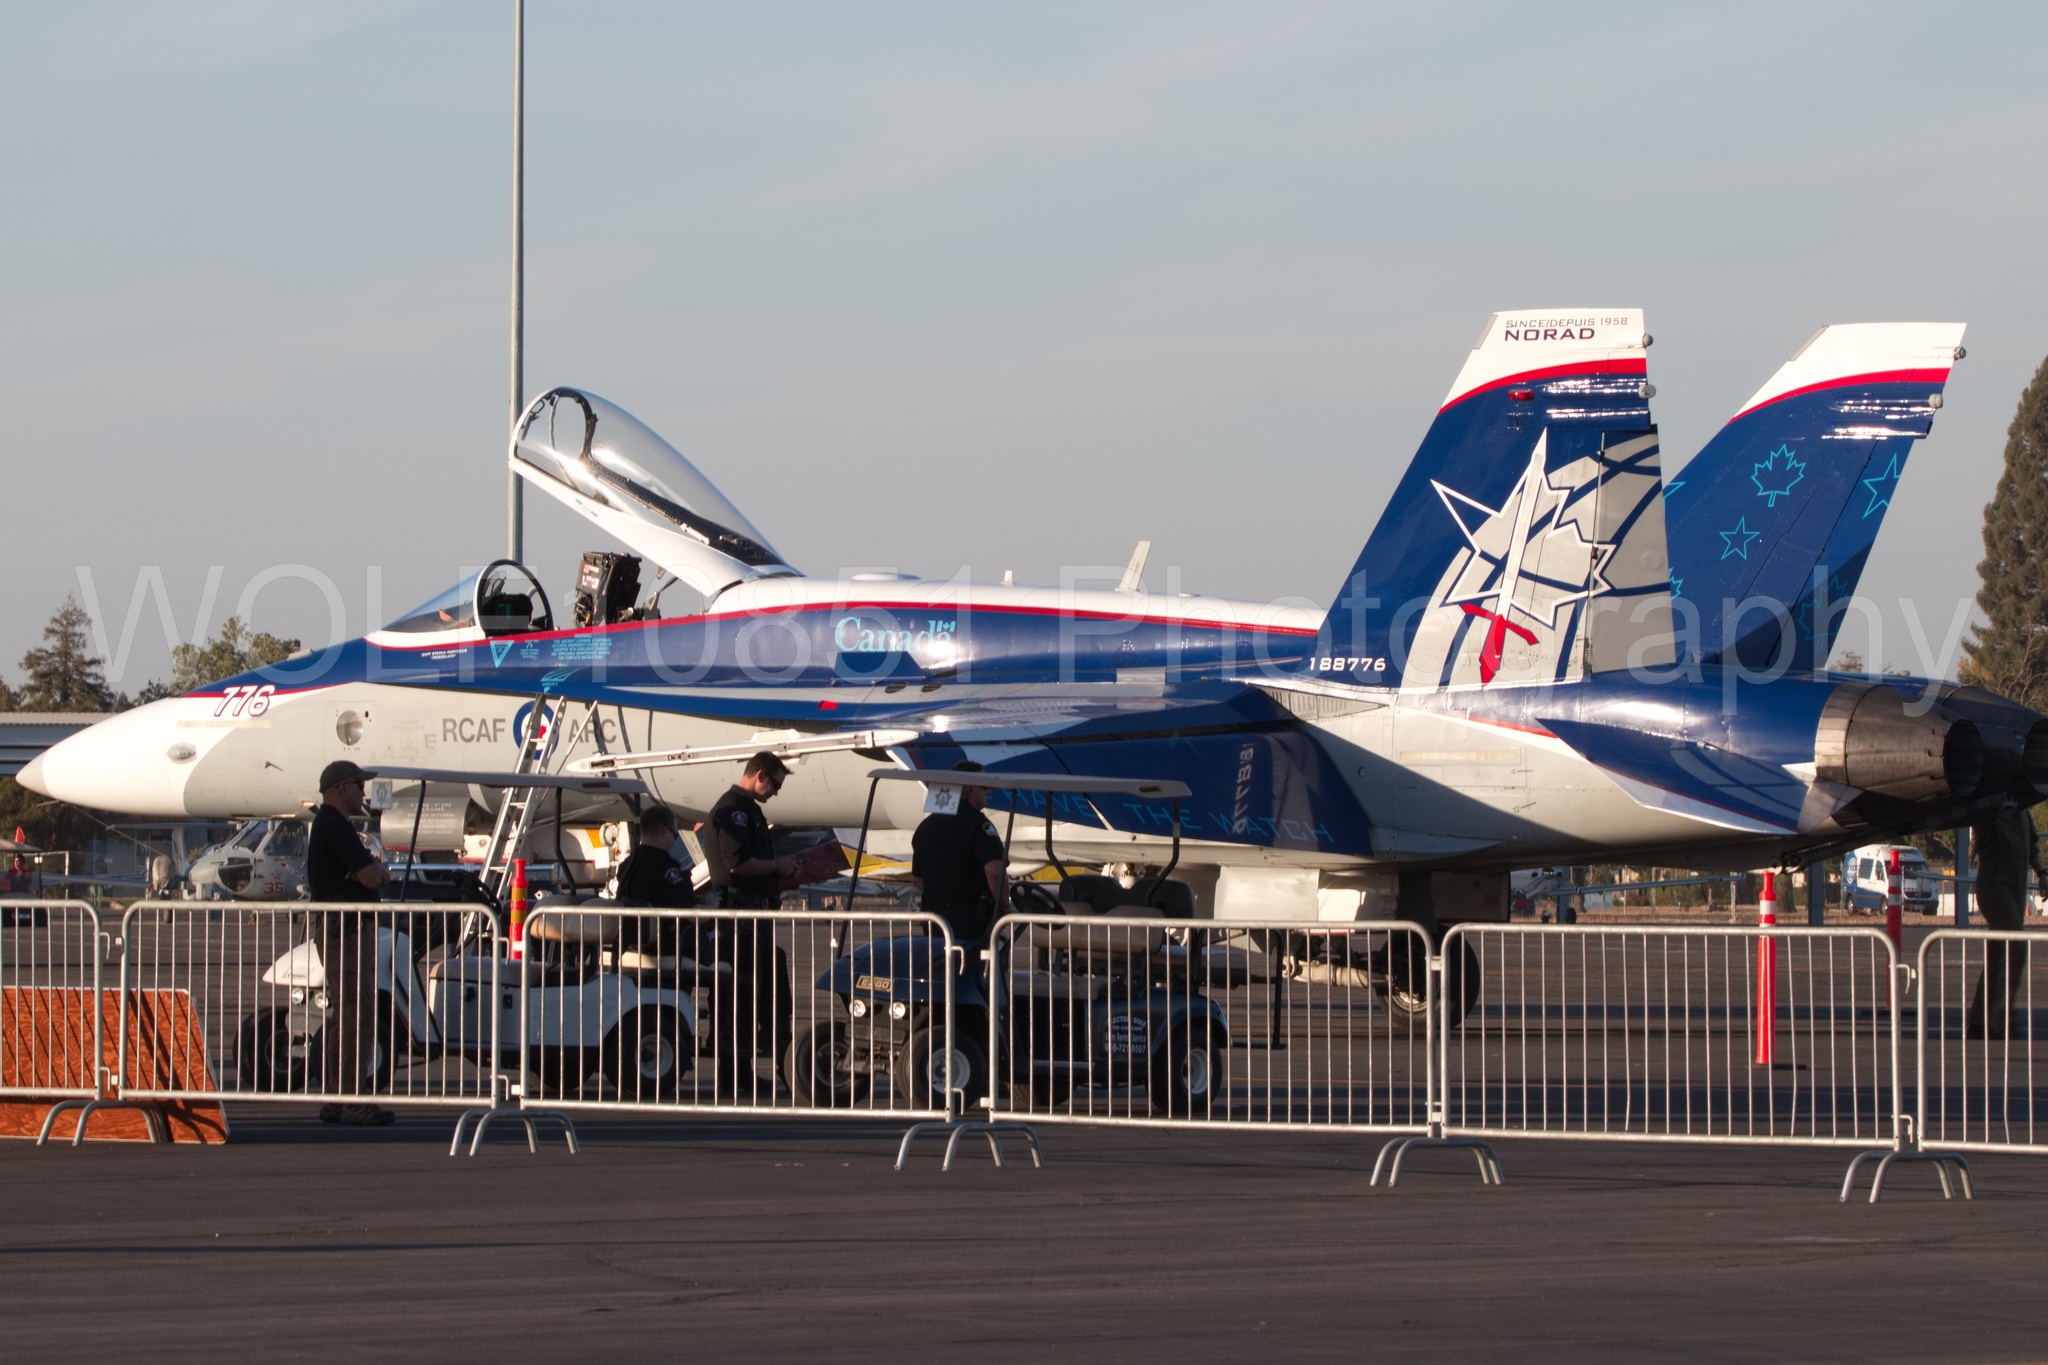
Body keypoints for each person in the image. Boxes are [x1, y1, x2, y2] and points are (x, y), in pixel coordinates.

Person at [702, 753, 797, 1093]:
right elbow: (737, 865)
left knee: (754, 988)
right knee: (739, 993)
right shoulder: (734, 812)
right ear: (760, 775)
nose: (776, 792)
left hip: (751, 915)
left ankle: (744, 1069)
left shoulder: (747, 810)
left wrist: (781, 875)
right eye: (775, 784)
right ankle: (736, 1073)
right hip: (738, 918)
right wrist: (776, 867)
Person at [307, 759, 393, 1127]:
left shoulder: (329, 825)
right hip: (347, 930)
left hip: (340, 929)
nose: (363, 793)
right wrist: (376, 873)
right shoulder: (336, 827)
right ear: (340, 788)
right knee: (356, 1012)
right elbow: (373, 877)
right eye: (358, 786)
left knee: (347, 1012)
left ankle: (337, 1097)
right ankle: (352, 1098)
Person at [1968, 800, 2044, 1039]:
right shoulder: (1989, 805)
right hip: (1995, 882)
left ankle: (1980, 1020)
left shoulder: (2022, 807)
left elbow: (2031, 845)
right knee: (2015, 944)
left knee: (1998, 953)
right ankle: (2001, 1015)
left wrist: (2042, 873)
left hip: (2016, 885)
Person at [910, 761, 1007, 944]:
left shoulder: (924, 827)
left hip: (934, 924)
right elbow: (995, 872)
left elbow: (917, 879)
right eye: (985, 786)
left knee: (938, 970)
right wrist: (1004, 905)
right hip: (969, 925)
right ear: (970, 789)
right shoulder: (979, 824)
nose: (989, 791)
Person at [613, 805, 695, 956]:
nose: (673, 841)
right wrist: (710, 905)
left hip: (630, 945)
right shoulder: (666, 868)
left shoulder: (627, 865)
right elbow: (692, 913)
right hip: (665, 948)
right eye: (675, 835)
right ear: (665, 831)